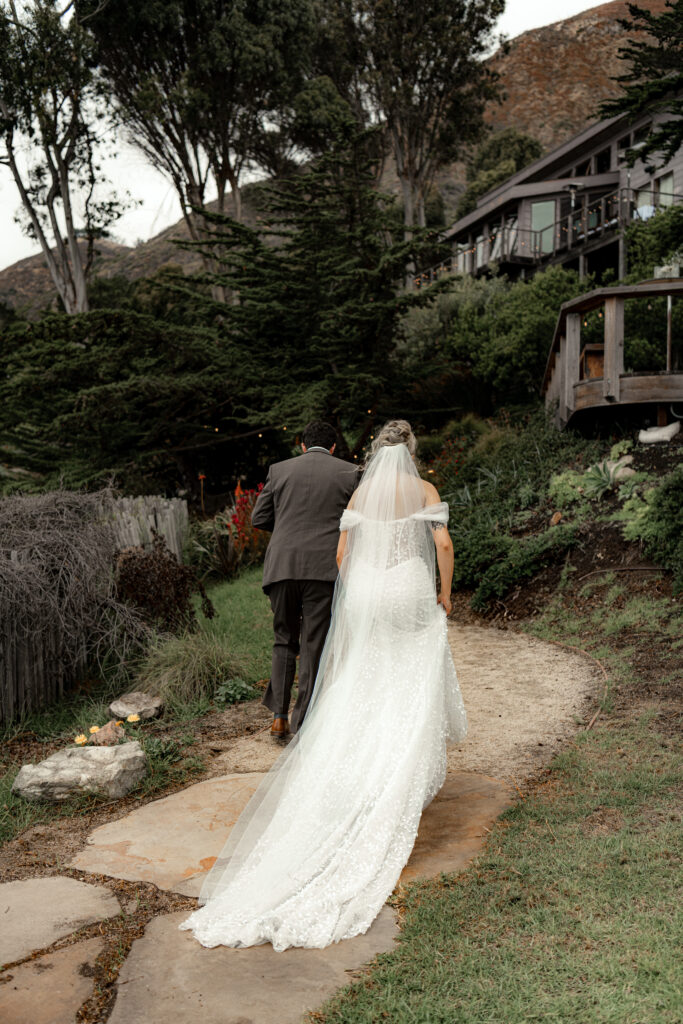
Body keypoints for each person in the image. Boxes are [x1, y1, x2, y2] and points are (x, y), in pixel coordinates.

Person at [180, 420, 467, 951]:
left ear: (376, 453)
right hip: (406, 589)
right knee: (409, 674)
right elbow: (442, 544)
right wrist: (444, 595)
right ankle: (399, 765)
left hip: (363, 593)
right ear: (410, 451)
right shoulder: (423, 490)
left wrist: (362, 585)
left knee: (359, 674)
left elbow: (342, 555)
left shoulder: (360, 491)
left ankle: (322, 742)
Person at [250, 420, 359, 739]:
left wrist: (288, 531)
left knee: (283, 638)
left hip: (282, 566)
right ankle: (303, 723)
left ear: (301, 445)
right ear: (335, 446)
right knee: (313, 644)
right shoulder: (350, 472)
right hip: (324, 569)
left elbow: (259, 518)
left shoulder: (278, 470)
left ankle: (279, 718)